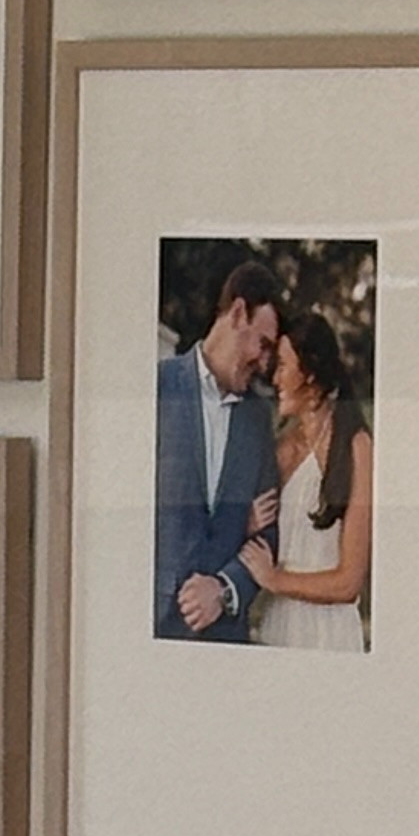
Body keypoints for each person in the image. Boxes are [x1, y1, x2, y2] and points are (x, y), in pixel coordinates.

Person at [152, 256, 282, 641]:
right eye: (263, 344)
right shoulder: (155, 389)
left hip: (227, 639)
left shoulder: (259, 419)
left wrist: (225, 590)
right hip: (151, 634)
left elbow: (269, 535)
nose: (265, 362)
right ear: (239, 312)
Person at [241, 311, 373, 651]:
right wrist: (249, 523)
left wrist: (274, 579)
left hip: (330, 637)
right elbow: (258, 539)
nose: (275, 378)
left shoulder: (356, 447)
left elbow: (349, 583)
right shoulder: (281, 449)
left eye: (283, 366)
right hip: (277, 629)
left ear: (310, 374)